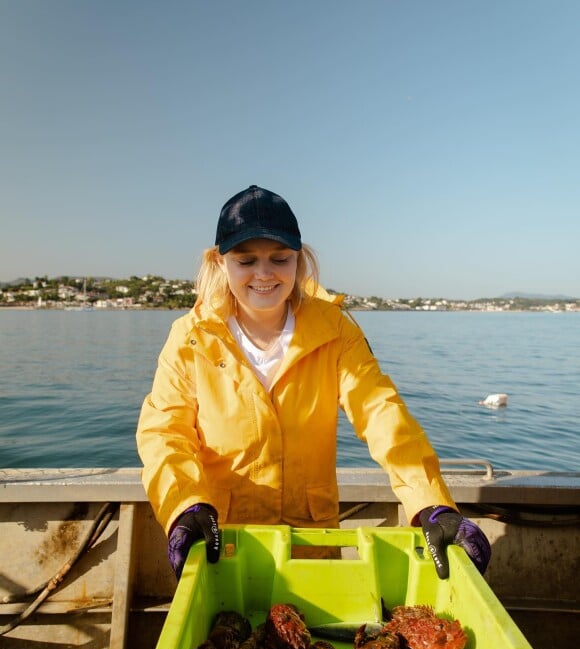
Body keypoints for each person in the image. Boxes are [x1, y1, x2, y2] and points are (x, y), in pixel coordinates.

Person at [136, 185, 491, 581]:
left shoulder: (335, 330)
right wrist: (185, 506)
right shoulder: (189, 337)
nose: (264, 273)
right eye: (246, 260)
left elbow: (381, 413)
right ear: (221, 263)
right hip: (221, 539)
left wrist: (431, 503)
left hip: (311, 541)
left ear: (299, 260)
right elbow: (164, 432)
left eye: (280, 258)